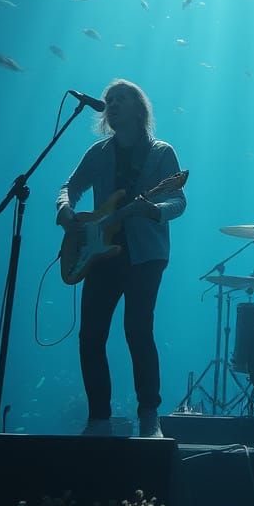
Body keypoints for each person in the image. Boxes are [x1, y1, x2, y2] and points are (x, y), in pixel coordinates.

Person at [56, 79, 186, 438]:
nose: (111, 104)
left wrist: (152, 211)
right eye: (108, 100)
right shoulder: (98, 153)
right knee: (90, 335)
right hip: (100, 253)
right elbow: (71, 185)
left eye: (120, 99)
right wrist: (65, 209)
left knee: (137, 330)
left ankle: (149, 416)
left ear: (139, 107)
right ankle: (98, 418)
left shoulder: (161, 153)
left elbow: (179, 201)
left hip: (145, 256)